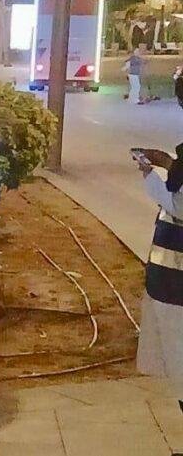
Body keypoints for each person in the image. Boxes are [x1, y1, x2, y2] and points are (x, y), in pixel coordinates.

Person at [135, 145, 183, 451]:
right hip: (171, 286)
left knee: (180, 363)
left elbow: (179, 205)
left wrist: (151, 175)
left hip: (176, 288)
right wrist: (165, 163)